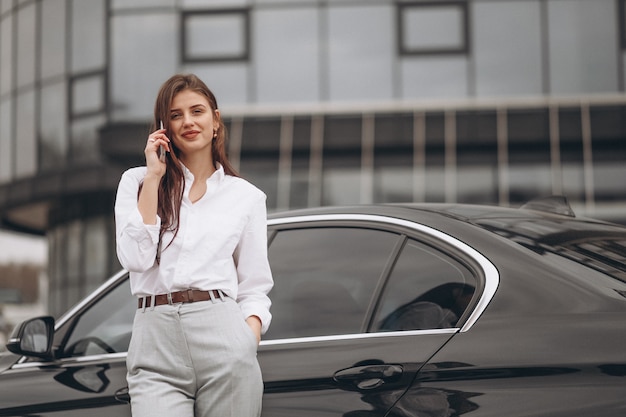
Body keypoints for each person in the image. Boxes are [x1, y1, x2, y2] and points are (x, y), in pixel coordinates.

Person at [114, 73, 273, 417]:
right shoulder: (137, 181)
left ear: (215, 120)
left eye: (197, 111)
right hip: (155, 340)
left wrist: (246, 341)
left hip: (223, 334)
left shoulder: (245, 197)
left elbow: (255, 285)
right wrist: (154, 176)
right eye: (175, 115)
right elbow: (135, 258)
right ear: (163, 127)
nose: (187, 121)